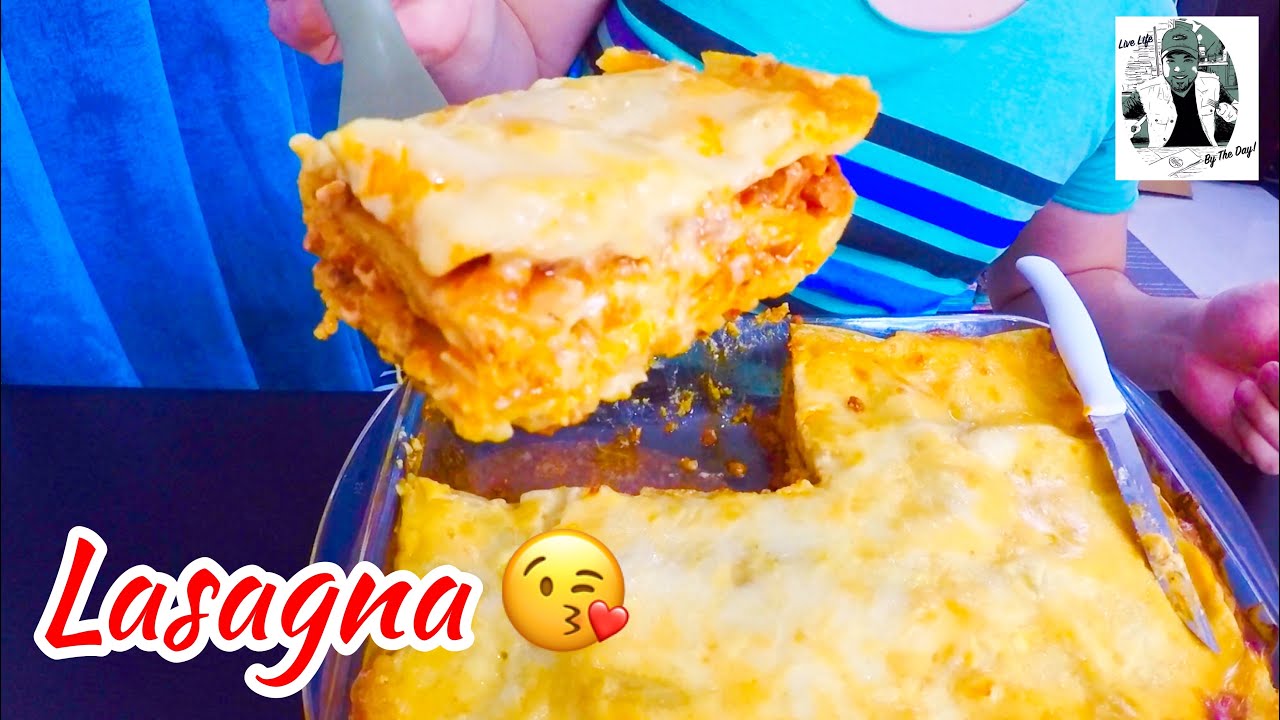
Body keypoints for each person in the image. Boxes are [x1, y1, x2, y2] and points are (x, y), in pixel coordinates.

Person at [271, 0, 1278, 475]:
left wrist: (1184, 336)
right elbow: (513, 68)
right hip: (554, 407)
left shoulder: (1183, 42)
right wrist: (452, 29)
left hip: (886, 455)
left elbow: (1071, 282)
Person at [1123, 22, 1238, 148]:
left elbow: (1238, 111)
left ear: (1197, 61)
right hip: (1161, 157)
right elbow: (1115, 120)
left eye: (1187, 60)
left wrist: (1232, 112)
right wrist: (1126, 127)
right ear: (1162, 63)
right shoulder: (1146, 91)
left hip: (1206, 155)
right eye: (1171, 61)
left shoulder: (1212, 84)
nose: (1178, 69)